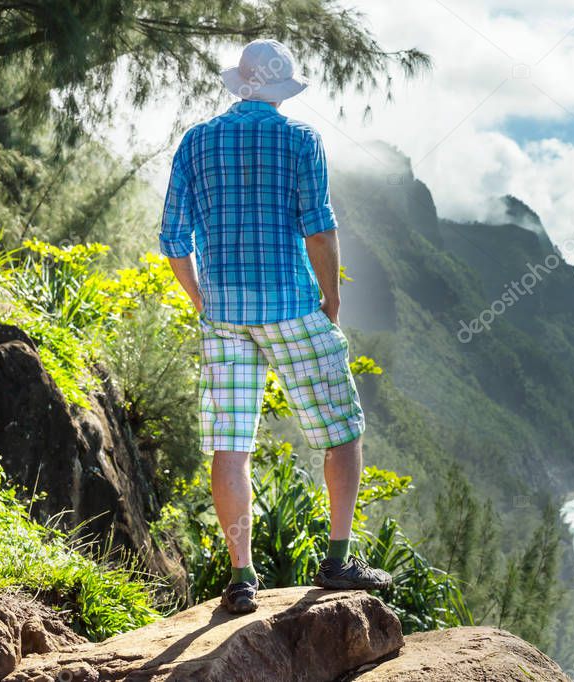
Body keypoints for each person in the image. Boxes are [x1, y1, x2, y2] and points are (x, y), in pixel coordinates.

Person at [158, 38, 392, 614]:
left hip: (224, 314)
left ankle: (242, 578)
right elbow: (318, 227)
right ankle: (337, 561)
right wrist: (332, 298)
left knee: (229, 445)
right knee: (342, 429)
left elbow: (172, 237)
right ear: (282, 91)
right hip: (291, 305)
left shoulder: (195, 142)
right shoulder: (300, 140)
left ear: (239, 85)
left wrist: (201, 298)